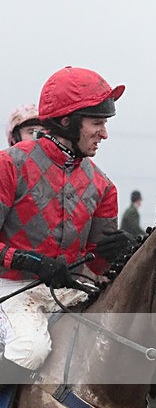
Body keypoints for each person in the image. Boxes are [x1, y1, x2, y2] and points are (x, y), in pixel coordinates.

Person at [0, 66, 130, 384]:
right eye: (97, 122)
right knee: (30, 349)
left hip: (67, 290)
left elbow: (97, 264)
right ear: (66, 121)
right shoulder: (9, 165)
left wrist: (118, 253)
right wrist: (27, 260)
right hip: (11, 287)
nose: (104, 133)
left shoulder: (103, 186)